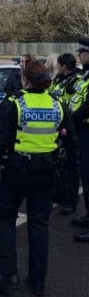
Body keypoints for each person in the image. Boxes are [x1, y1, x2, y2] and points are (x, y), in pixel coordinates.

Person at [0, 60, 77, 296]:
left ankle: (9, 276)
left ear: (24, 80)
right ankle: (38, 281)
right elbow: (71, 143)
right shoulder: (58, 104)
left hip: (16, 170)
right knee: (40, 225)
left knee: (4, 220)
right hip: (46, 171)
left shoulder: (13, 104)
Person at [48, 53, 81, 215]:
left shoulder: (76, 80)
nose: (58, 67)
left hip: (71, 127)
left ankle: (71, 200)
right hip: (58, 125)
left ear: (65, 66)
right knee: (59, 164)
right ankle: (59, 194)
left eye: (59, 65)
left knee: (71, 167)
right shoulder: (59, 79)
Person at [69, 38, 89, 242]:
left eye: (82, 52)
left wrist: (72, 117)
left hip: (86, 129)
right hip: (82, 131)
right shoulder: (85, 75)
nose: (80, 56)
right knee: (86, 176)